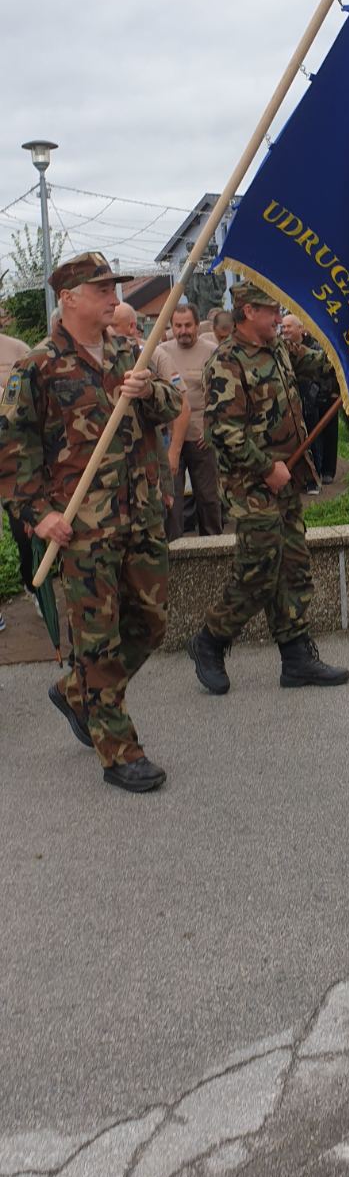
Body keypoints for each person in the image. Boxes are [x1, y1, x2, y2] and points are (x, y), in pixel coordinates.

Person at [0, 252, 182, 792]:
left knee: (150, 625)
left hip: (142, 515)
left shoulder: (132, 350)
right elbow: (14, 450)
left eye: (114, 288)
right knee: (97, 643)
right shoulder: (37, 366)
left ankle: (77, 692)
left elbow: (171, 407)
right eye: (102, 289)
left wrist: (148, 391)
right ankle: (119, 749)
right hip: (83, 528)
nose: (114, 297)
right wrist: (39, 515)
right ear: (70, 297)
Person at [187, 280, 349, 693]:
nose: (279, 318)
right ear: (247, 313)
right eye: (270, 311)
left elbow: (316, 367)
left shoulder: (277, 348)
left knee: (293, 565)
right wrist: (266, 468)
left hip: (287, 478)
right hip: (251, 484)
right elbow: (225, 433)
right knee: (259, 570)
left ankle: (296, 659)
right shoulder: (227, 362)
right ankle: (210, 640)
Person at [110, 302, 191, 522]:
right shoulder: (105, 357)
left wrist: (174, 452)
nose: (108, 329)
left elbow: (180, 403)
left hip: (152, 456)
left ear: (130, 326)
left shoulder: (150, 356)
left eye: (113, 324)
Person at [163, 302, 223, 540]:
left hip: (201, 437)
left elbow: (221, 393)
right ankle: (176, 553)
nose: (183, 331)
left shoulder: (212, 350)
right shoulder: (162, 351)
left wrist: (210, 428)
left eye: (188, 325)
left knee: (208, 498)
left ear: (197, 326)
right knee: (172, 501)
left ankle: (215, 548)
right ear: (171, 327)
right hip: (170, 439)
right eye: (178, 326)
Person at [1, 330, 36, 604]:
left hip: (13, 455)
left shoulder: (17, 349)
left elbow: (16, 401)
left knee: (23, 530)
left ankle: (32, 583)